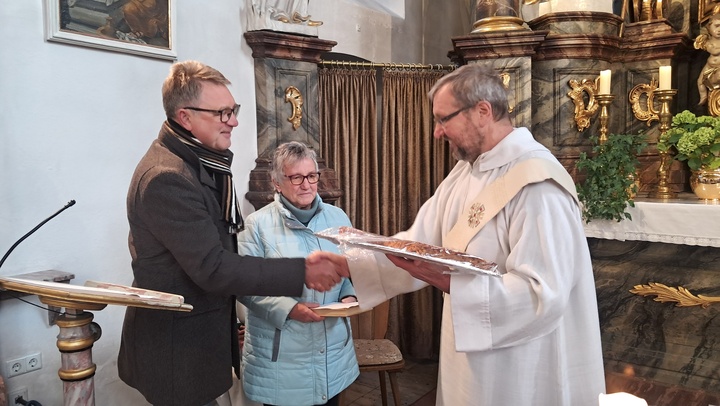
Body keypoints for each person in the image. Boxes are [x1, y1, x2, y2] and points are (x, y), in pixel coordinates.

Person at [345, 64, 605, 405]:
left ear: (483, 111)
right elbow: (418, 243)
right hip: (467, 359)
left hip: (519, 367)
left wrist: (450, 282)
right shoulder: (465, 173)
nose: (437, 132)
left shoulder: (539, 185)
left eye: (443, 119)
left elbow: (542, 293)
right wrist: (347, 263)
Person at [118, 60, 349, 406]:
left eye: (233, 110)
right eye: (223, 113)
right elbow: (214, 267)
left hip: (196, 340)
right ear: (185, 117)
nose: (234, 121)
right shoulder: (167, 176)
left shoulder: (197, 164)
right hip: (177, 347)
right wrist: (302, 271)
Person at [237, 141, 359, 406]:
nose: (306, 185)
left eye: (312, 176)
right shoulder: (256, 225)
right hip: (282, 361)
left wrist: (349, 294)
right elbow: (244, 286)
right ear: (276, 183)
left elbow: (351, 269)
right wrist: (290, 309)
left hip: (333, 354)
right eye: (296, 177)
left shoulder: (338, 218)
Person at [695, 12, 720, 105]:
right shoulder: (708, 42)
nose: (719, 29)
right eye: (716, 26)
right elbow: (714, 51)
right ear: (709, 27)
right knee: (700, 81)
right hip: (709, 65)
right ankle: (703, 96)